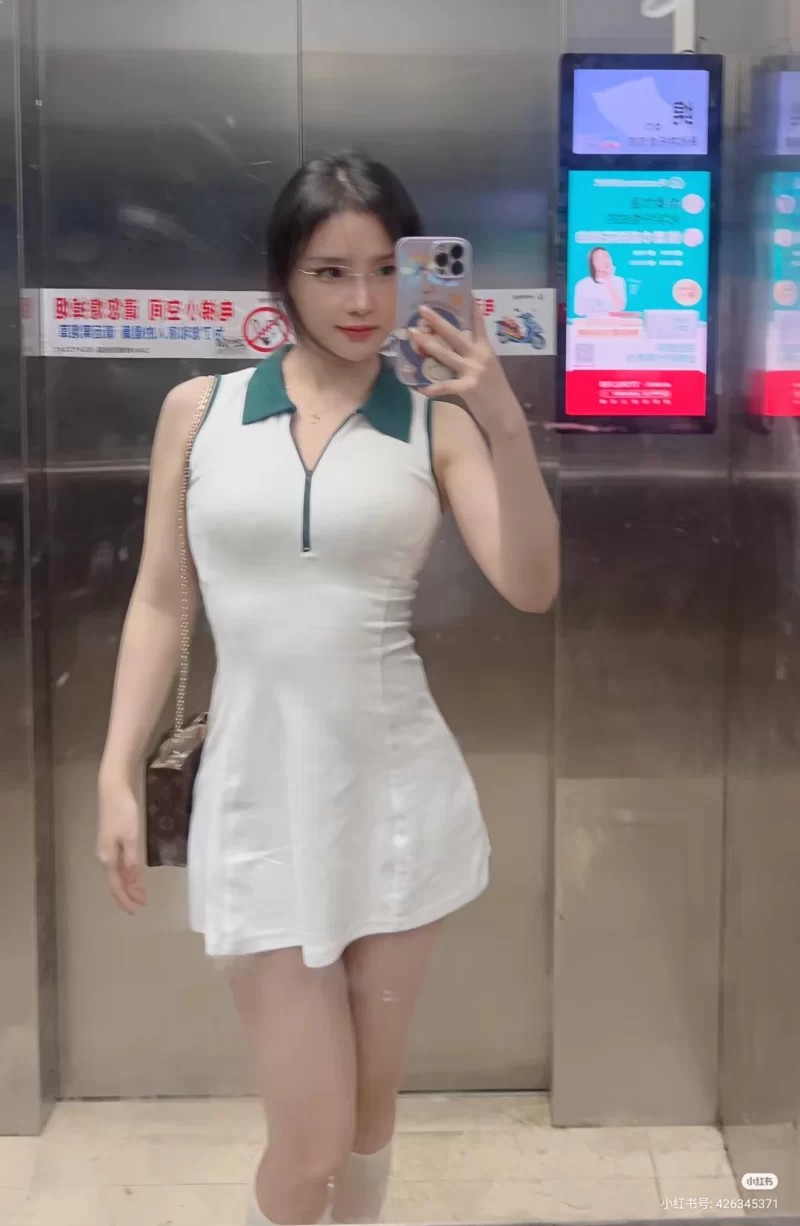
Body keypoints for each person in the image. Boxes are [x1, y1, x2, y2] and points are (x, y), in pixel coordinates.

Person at [96, 152, 559, 1226]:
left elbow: (532, 585)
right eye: (329, 272)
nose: (362, 300)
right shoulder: (198, 411)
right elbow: (161, 600)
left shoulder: (436, 424)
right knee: (307, 1144)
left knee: (364, 1116)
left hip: (398, 803)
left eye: (385, 270)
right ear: (284, 278)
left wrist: (503, 419)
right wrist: (115, 771)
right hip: (256, 804)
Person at [573, 246, 627, 316]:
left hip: (613, 321)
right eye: (599, 259)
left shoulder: (619, 281)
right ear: (592, 263)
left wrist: (609, 282)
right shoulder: (582, 284)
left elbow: (621, 307)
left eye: (607, 257)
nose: (605, 261)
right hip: (591, 321)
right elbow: (579, 311)